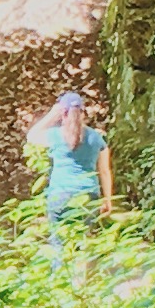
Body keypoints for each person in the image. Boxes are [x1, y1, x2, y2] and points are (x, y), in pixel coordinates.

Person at [27, 84, 113, 254]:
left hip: (61, 194)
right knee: (83, 242)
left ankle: (60, 277)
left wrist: (52, 115)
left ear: (62, 113)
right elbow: (105, 171)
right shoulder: (97, 138)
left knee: (58, 243)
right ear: (82, 113)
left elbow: (31, 136)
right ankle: (81, 279)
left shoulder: (55, 135)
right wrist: (107, 199)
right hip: (89, 196)